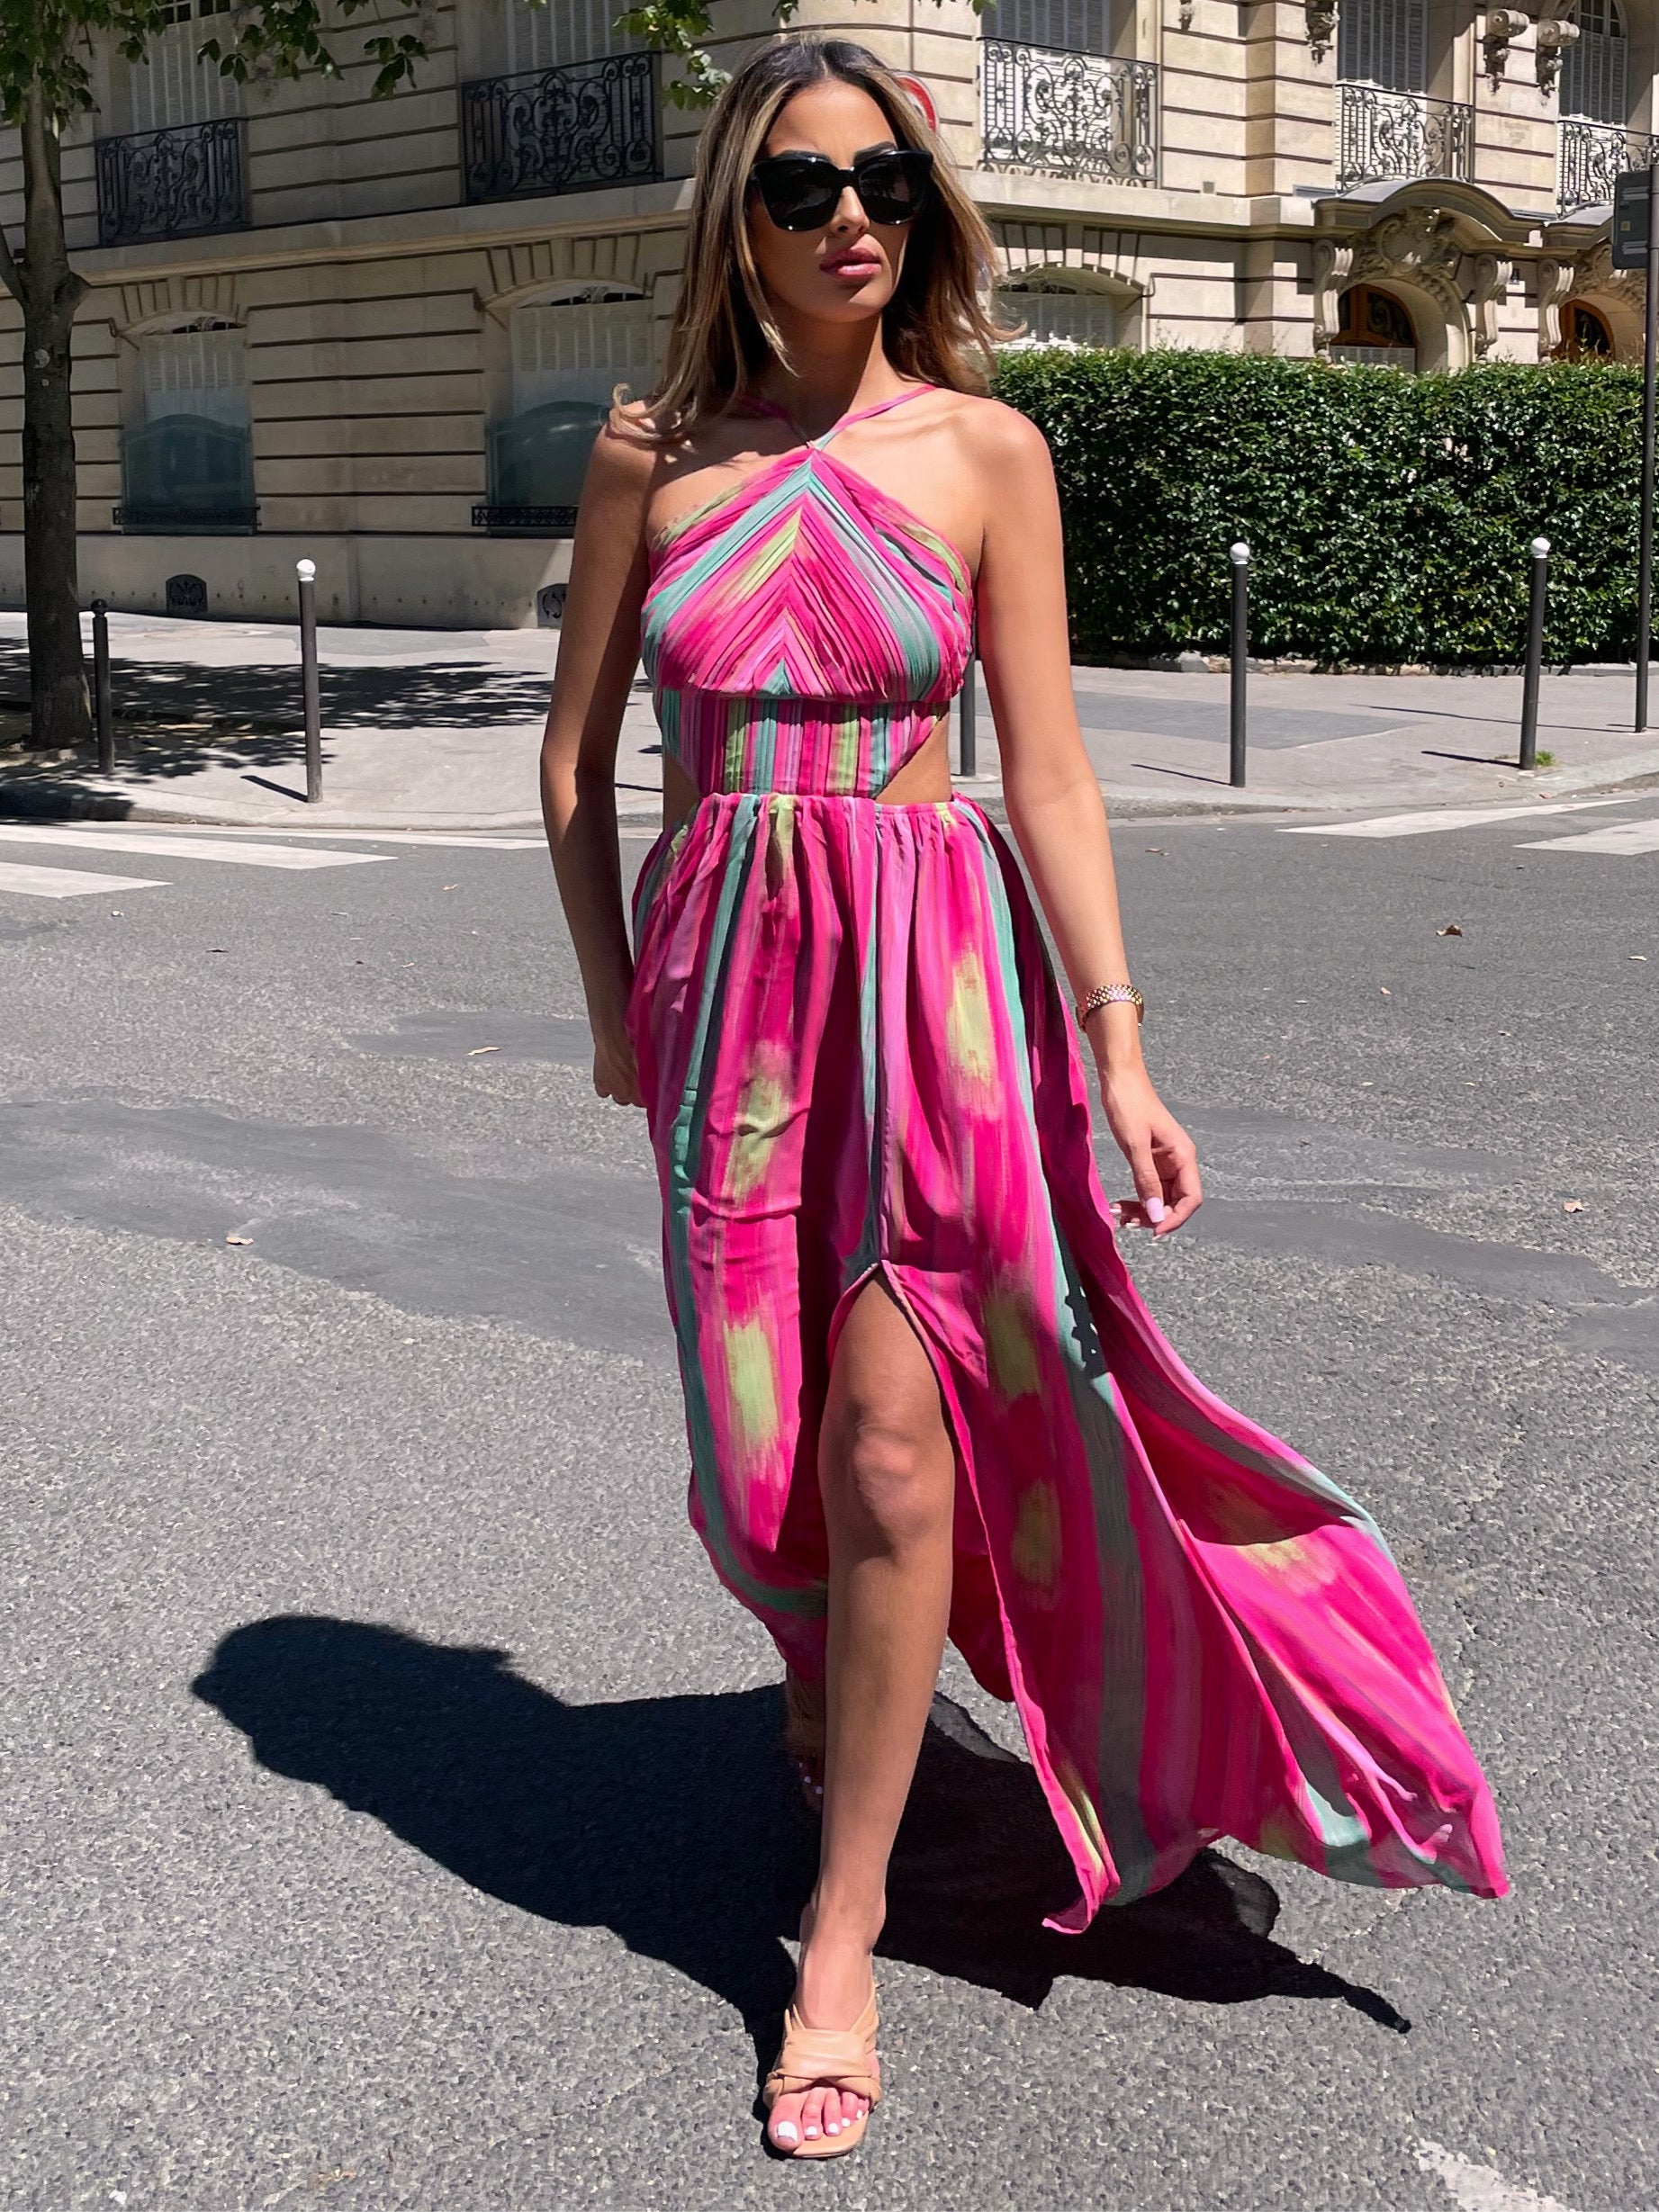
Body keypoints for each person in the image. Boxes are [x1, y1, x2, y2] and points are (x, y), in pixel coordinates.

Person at [540, 33, 1507, 2163]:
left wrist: (1122, 1041)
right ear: (736, 217)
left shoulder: (988, 449)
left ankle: (841, 1930)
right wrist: (613, 999)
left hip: (933, 981)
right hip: (728, 993)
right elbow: (575, 758)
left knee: (898, 1445)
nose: (850, 218)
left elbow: (1047, 769)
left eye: (883, 180)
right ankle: (819, 1666)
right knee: (764, 1471)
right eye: (803, 187)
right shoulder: (648, 457)